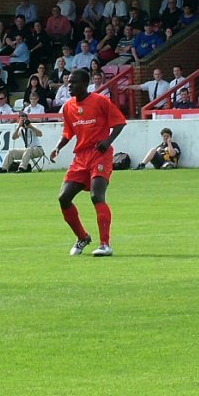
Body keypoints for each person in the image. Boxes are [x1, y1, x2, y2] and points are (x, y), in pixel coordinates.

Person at [50, 69, 126, 257]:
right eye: (68, 82)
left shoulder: (100, 101)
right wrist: (58, 147)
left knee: (96, 196)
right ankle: (83, 237)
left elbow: (120, 123)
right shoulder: (68, 107)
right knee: (64, 198)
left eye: (73, 82)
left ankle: (105, 244)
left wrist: (107, 142)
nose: (69, 85)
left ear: (85, 84)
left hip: (100, 155)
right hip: (81, 157)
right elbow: (69, 132)